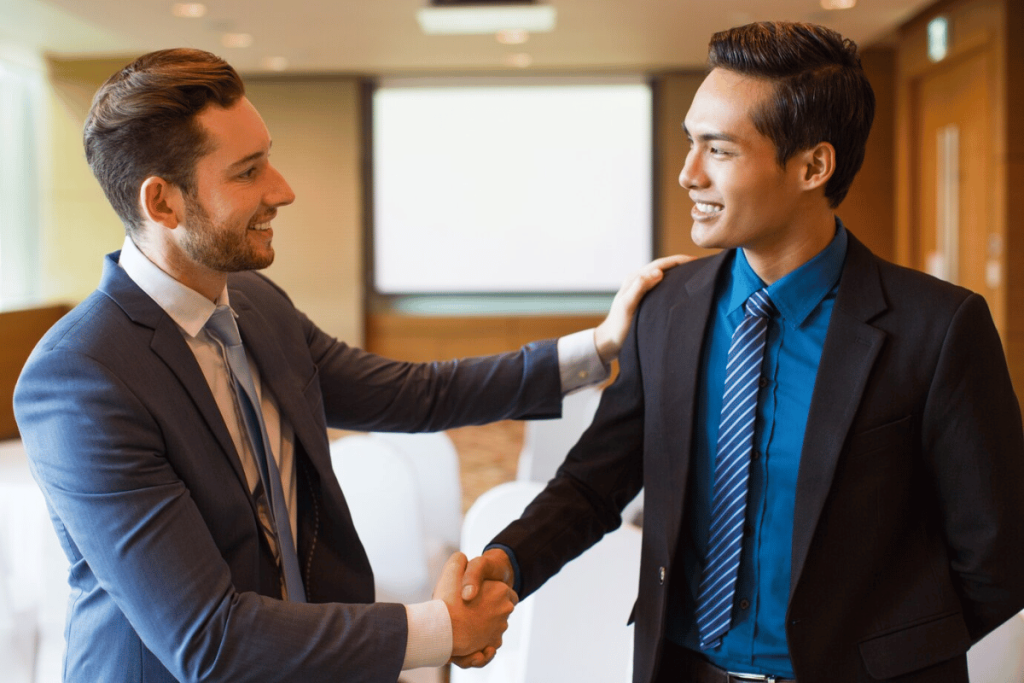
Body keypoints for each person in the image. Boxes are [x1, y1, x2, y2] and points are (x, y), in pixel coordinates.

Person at [12, 48, 686, 682]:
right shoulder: (81, 377)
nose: (282, 190)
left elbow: (416, 394)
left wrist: (599, 346)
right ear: (162, 202)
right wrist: (439, 628)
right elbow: (208, 637)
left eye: (267, 160)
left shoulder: (254, 303)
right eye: (247, 172)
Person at [462, 21, 1024, 683]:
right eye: (689, 143)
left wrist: (895, 653)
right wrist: (508, 561)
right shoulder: (666, 307)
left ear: (813, 166)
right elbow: (594, 481)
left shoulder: (937, 328)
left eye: (718, 150)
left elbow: (998, 555)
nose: (687, 172)